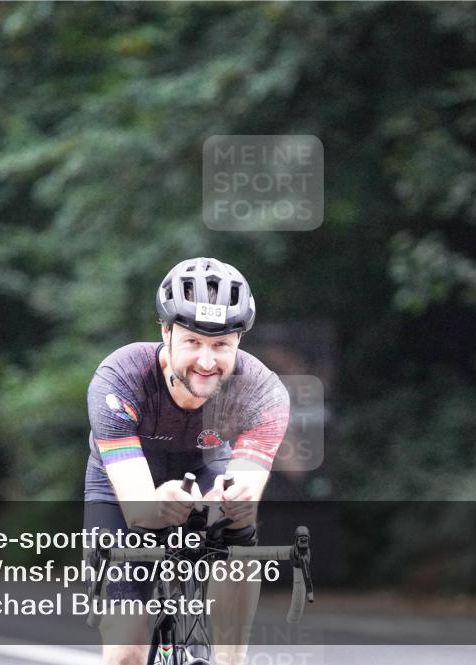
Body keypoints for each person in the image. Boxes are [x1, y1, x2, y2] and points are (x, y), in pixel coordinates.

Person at [84, 257, 290, 665]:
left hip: (205, 466)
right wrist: (159, 504)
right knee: (127, 653)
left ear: (238, 343)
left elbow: (244, 485)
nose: (207, 361)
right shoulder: (120, 377)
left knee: (237, 524)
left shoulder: (262, 392)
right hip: (121, 484)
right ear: (166, 332)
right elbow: (140, 509)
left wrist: (230, 500)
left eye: (220, 345)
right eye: (193, 342)